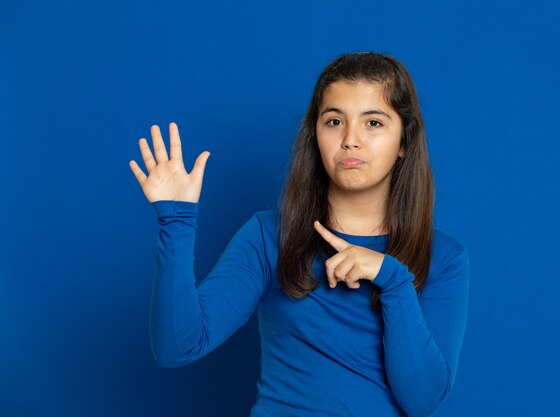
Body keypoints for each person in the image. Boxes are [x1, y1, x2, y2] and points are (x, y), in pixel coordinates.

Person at [129, 52, 470, 417]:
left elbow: (422, 401)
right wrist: (177, 221)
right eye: (335, 121)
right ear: (315, 135)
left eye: (373, 123)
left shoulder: (443, 258)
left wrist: (392, 278)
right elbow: (177, 345)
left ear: (404, 141)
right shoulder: (270, 236)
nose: (350, 140)